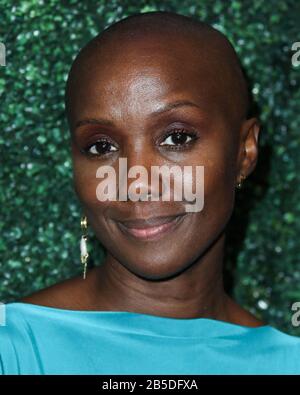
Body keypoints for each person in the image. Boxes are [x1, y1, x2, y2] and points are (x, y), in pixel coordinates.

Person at [1, 11, 299, 375]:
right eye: (100, 147)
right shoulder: (15, 349)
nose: (136, 182)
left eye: (177, 138)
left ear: (244, 152)